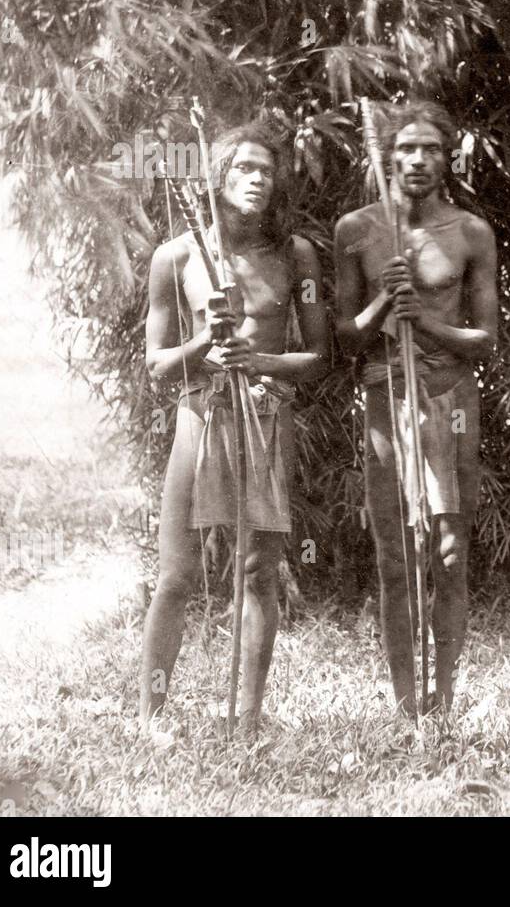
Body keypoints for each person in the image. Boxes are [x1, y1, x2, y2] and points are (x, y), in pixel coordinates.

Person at [140, 122, 329, 732]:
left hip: (269, 414)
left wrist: (261, 360)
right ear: (217, 180)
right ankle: (152, 714)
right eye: (242, 169)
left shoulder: (295, 254)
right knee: (177, 573)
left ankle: (246, 720)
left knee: (258, 570)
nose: (255, 180)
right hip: (202, 415)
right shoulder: (177, 258)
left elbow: (319, 358)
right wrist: (205, 344)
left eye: (265, 171)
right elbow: (157, 366)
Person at [334, 100, 497, 716]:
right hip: (386, 398)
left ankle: (445, 696)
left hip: (453, 399)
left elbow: (486, 340)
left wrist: (423, 320)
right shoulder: (357, 230)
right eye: (405, 149)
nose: (418, 160)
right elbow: (343, 340)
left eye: (431, 148)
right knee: (396, 555)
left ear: (448, 156)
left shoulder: (471, 232)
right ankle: (407, 703)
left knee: (450, 553)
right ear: (387, 157)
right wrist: (383, 304)